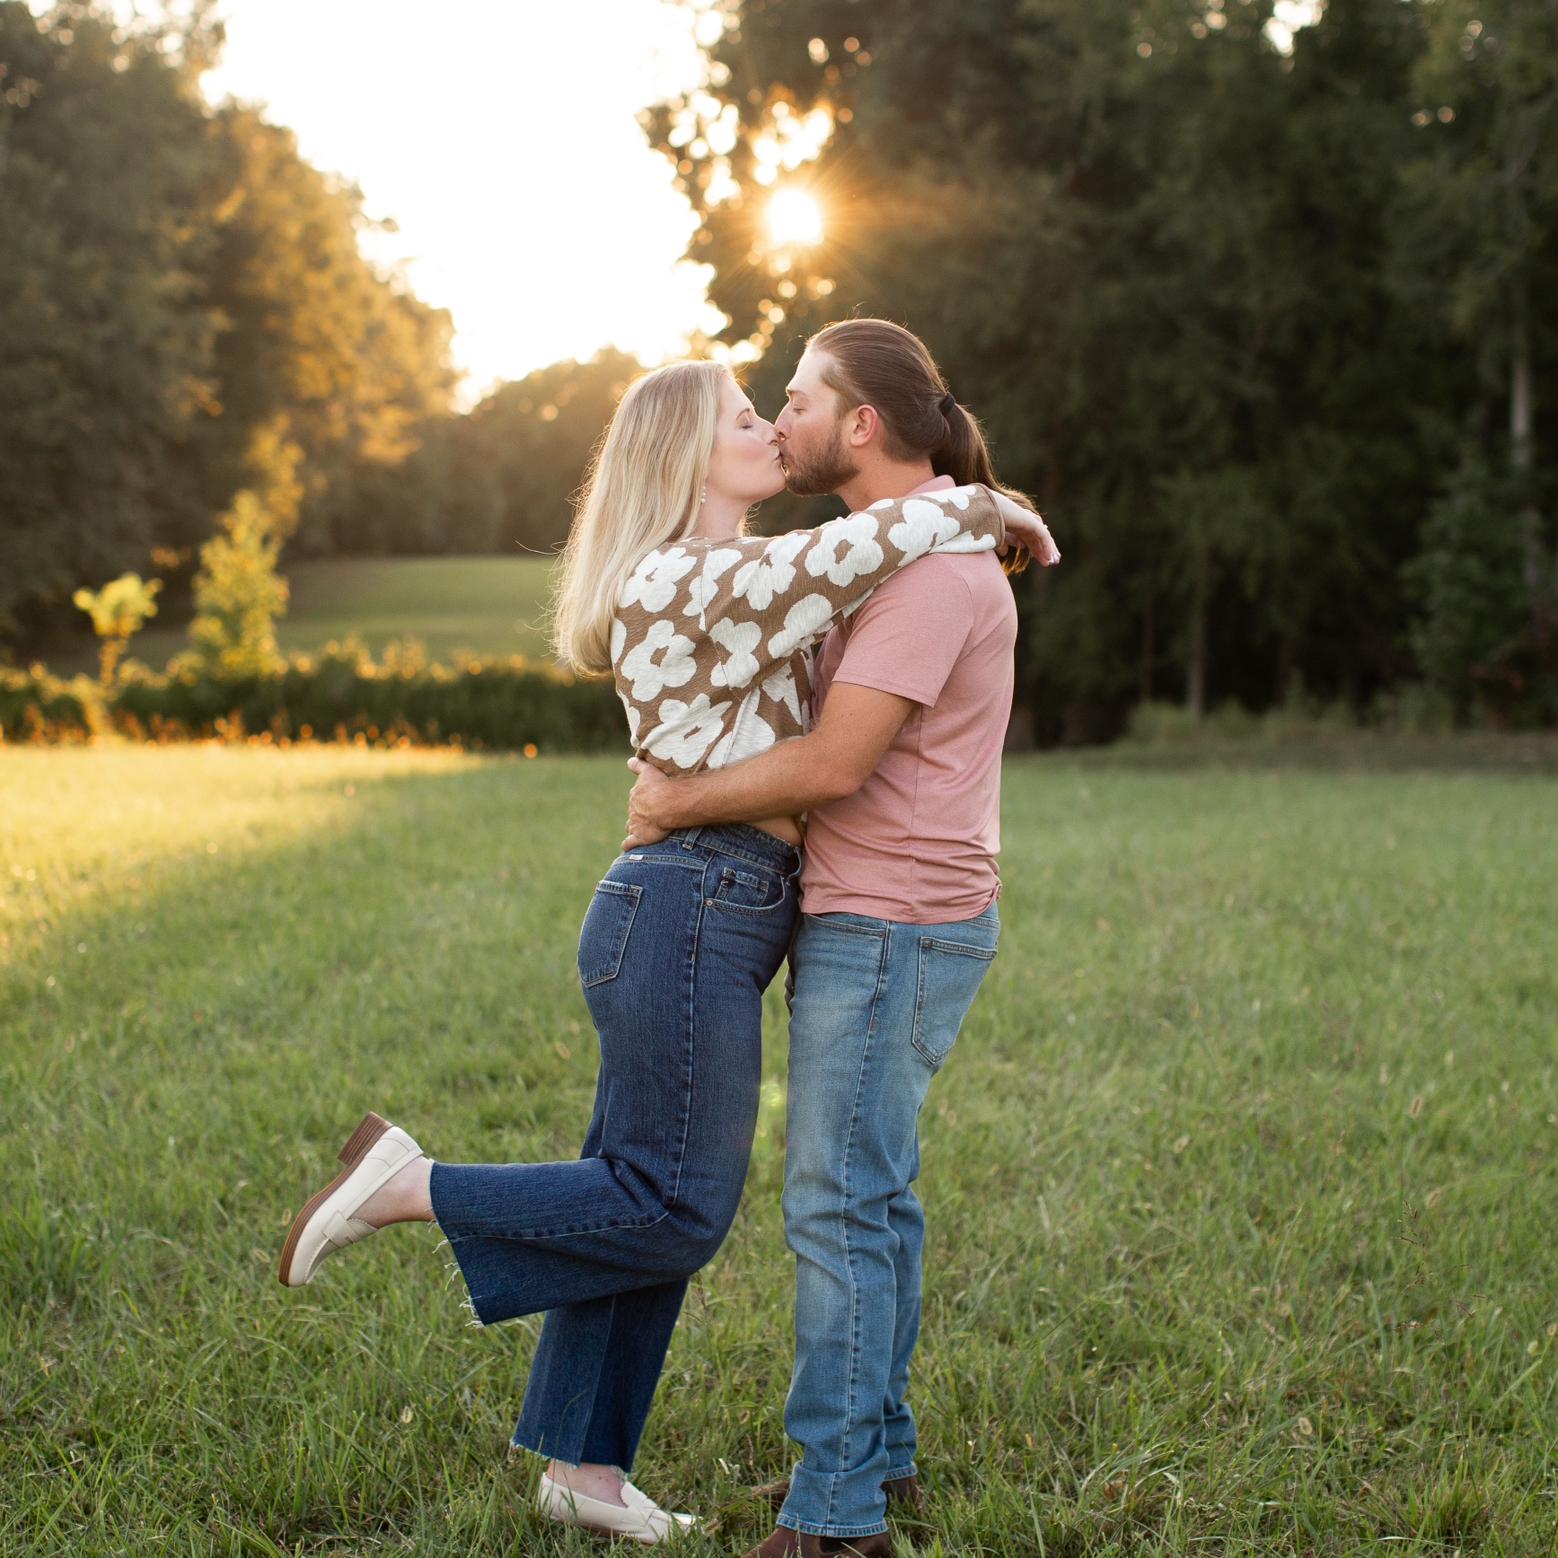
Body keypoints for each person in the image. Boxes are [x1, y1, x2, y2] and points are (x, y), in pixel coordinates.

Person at [276, 357, 1056, 1546]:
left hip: (700, 905)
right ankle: (406, 1188)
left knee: (635, 1182)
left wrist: (963, 511)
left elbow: (840, 592)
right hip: (691, 902)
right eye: (748, 415)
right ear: (686, 455)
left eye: (779, 405)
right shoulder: (703, 574)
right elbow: (845, 560)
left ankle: (583, 1467)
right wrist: (984, 504)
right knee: (671, 1206)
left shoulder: (732, 579)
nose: (769, 427)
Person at [625, 320, 1051, 1558]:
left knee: (836, 1204)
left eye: (800, 400)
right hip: (881, 913)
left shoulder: (927, 579)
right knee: (874, 1196)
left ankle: (835, 1514)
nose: (783, 419)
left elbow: (834, 761)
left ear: (861, 424)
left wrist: (668, 801)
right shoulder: (897, 556)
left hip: (894, 921)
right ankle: (879, 1454)